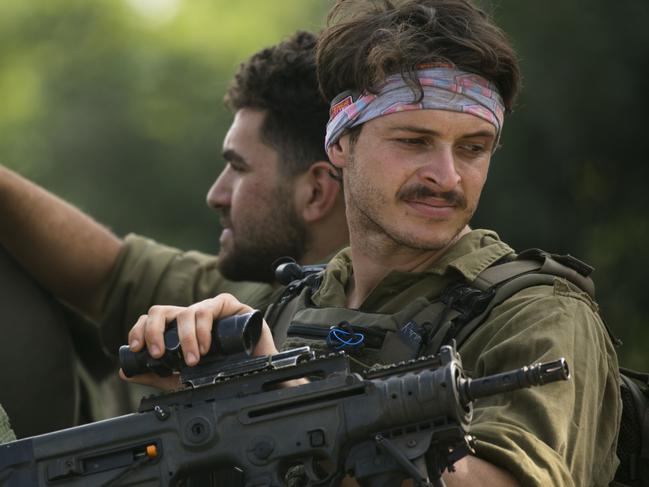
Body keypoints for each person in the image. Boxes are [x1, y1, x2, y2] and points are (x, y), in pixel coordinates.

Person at [126, 1, 621, 485]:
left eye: (472, 148)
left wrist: (290, 408)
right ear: (340, 144)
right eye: (413, 141)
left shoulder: (535, 316)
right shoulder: (294, 306)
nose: (446, 177)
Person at [0, 30, 347, 436]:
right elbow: (112, 275)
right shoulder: (253, 296)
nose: (215, 195)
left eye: (238, 168)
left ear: (316, 191)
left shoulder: (409, 326)